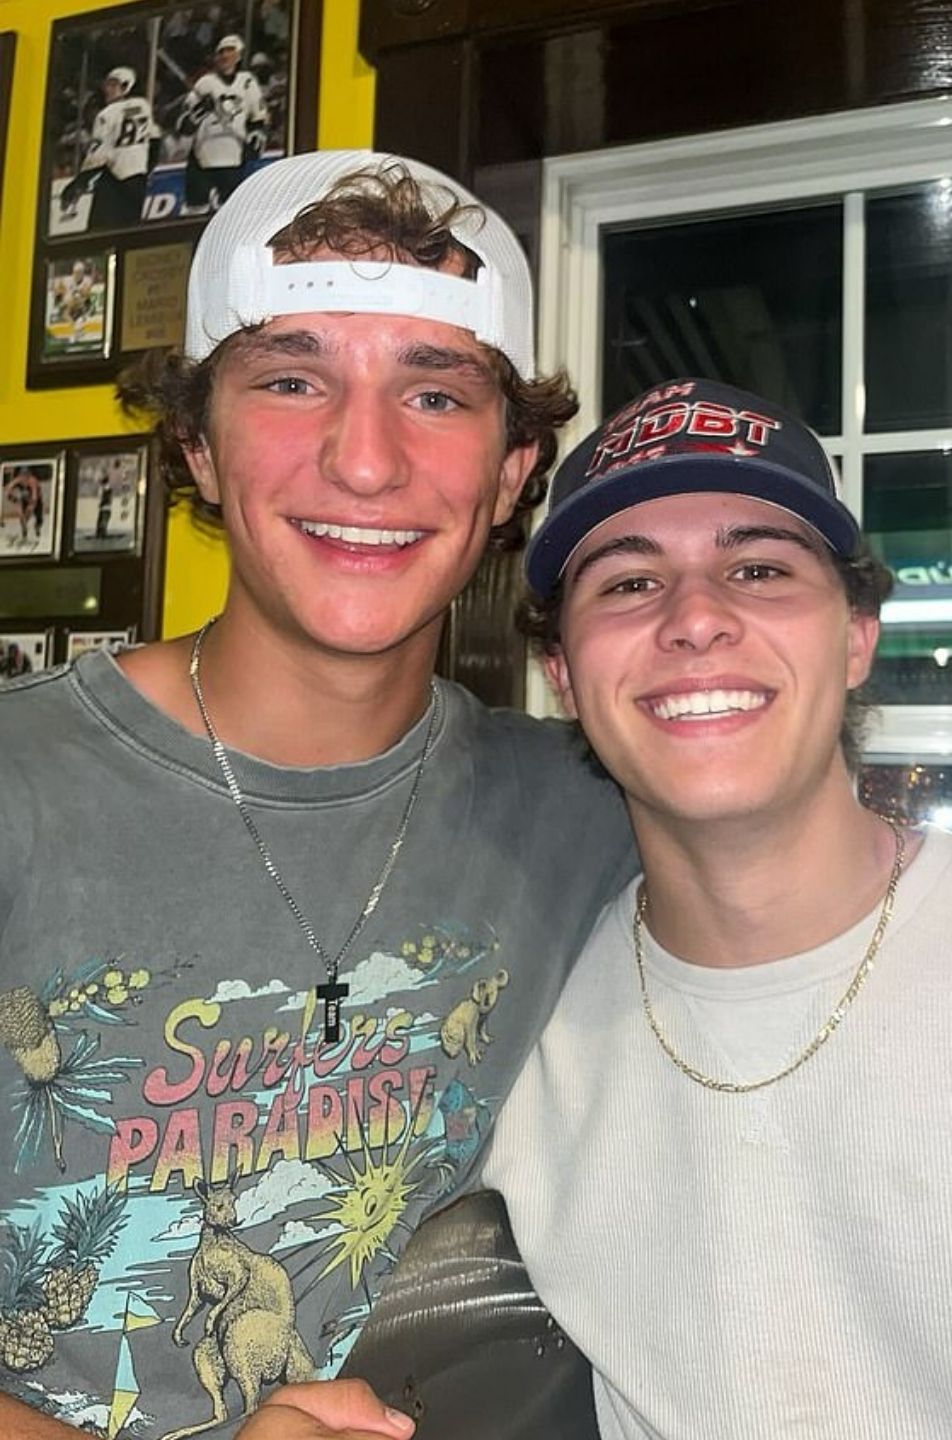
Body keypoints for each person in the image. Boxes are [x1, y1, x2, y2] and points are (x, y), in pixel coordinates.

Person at [0, 149, 634, 1440]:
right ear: (199, 444)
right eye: (293, 380)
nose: (365, 459)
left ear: (512, 470)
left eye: (435, 393)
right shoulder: (22, 788)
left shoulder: (588, 811)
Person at [483, 376, 952, 1439]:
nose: (695, 619)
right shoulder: (520, 1031)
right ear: (561, 674)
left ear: (857, 637)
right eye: (629, 582)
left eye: (758, 568)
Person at [60, 67, 160, 231]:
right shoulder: (142, 106)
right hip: (137, 178)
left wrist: (79, 183)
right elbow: (155, 138)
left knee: (99, 231)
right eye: (108, 85)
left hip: (116, 179)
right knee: (128, 232)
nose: (108, 89)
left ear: (126, 87)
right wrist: (148, 167)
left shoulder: (106, 114)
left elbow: (98, 155)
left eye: (114, 85)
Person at [176, 34, 266, 215]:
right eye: (221, 52)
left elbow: (258, 118)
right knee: (195, 210)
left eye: (230, 51)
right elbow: (183, 126)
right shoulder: (205, 83)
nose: (225, 56)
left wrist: (256, 137)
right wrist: (200, 111)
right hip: (203, 157)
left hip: (233, 157)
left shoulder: (247, 82)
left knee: (231, 214)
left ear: (239, 55)